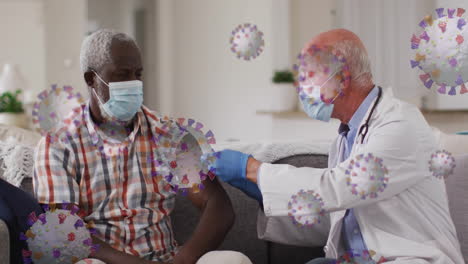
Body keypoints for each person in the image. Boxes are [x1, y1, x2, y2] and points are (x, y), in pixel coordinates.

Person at [214, 29, 465, 264]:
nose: (300, 86)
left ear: (342, 78)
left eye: (308, 74)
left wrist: (254, 170)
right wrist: (262, 191)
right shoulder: (347, 137)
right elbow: (336, 213)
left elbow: (340, 186)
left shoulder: (401, 124)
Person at [34, 29, 251, 264]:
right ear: (91, 79)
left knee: (233, 260)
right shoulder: (57, 144)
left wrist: (184, 259)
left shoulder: (169, 134)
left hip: (166, 258)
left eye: (138, 74)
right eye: (122, 74)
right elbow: (66, 231)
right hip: (103, 262)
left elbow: (217, 205)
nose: (134, 83)